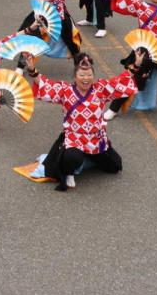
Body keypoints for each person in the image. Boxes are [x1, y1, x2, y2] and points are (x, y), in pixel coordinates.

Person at [23, 51, 141, 191]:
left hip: (96, 139)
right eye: (82, 75)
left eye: (89, 75)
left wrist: (136, 65)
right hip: (74, 139)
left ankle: (87, 158)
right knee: (72, 158)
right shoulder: (65, 90)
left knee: (115, 166)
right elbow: (45, 85)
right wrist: (31, 69)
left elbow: (119, 82)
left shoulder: (100, 89)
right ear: (75, 76)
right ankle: (69, 172)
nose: (86, 78)